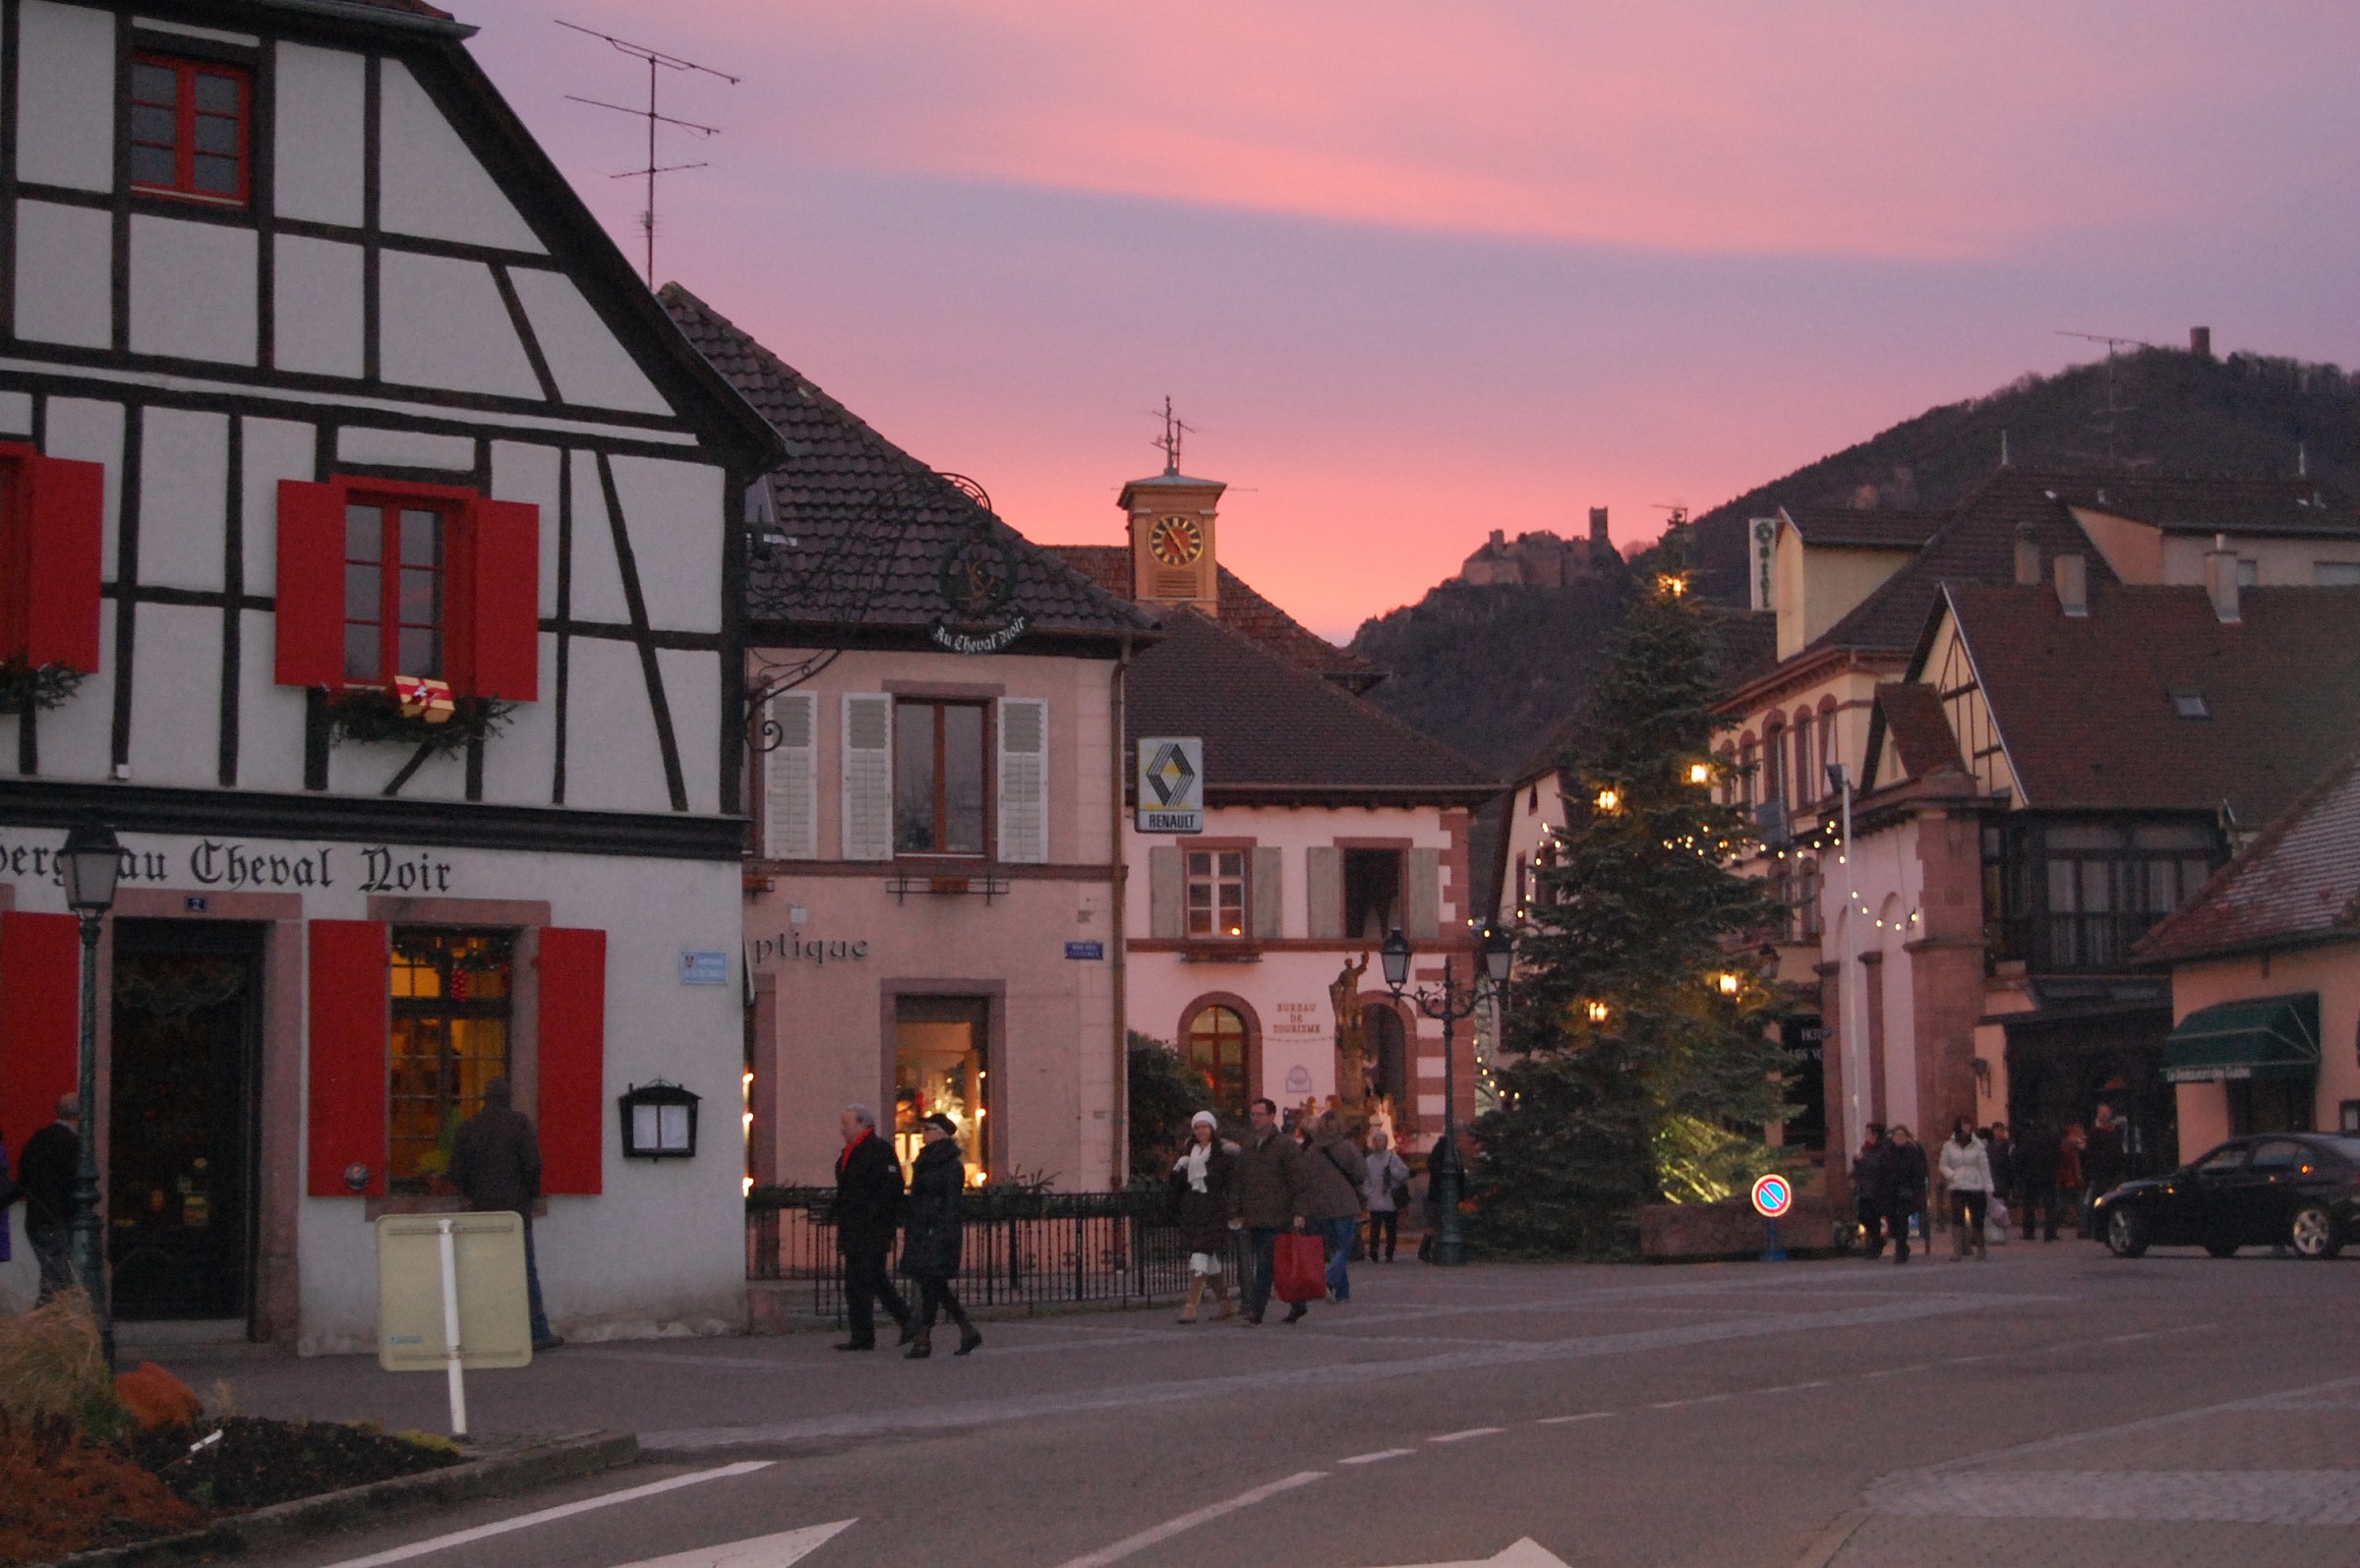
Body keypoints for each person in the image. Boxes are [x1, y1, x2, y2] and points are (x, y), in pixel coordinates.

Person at [447, 1077, 562, 1352]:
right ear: (508, 1099)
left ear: (485, 1099)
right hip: (516, 1210)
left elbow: (455, 1172)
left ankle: (488, 1332)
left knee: (484, 1273)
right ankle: (536, 1332)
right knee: (525, 1272)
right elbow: (533, 1165)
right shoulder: (519, 1124)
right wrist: (531, 1195)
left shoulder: (469, 1128)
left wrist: (471, 1193)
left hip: (482, 1211)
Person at [832, 1105, 913, 1351]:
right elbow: (847, 1190)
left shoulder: (879, 1151)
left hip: (872, 1229)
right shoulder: (850, 1152)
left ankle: (907, 1320)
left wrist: (877, 1218)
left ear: (862, 1124)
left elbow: (890, 1190)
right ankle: (862, 1335)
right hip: (854, 1227)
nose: (842, 1129)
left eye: (846, 1124)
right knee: (856, 1282)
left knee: (873, 1277)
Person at [900, 1114, 980, 1359]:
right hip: (922, 1229)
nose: (923, 1133)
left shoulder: (950, 1165)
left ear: (941, 1133)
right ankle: (965, 1330)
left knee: (932, 1284)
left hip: (938, 1232)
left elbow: (952, 1204)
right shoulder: (925, 1160)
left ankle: (925, 1339)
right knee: (933, 1285)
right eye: (923, 1129)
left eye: (928, 1129)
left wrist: (942, 1230)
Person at [1230, 1097, 1308, 1325]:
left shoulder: (1285, 1146)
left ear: (1271, 1116)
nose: (1255, 1119)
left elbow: (1299, 1181)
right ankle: (1298, 1303)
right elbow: (1239, 1180)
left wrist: (1299, 1211)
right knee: (1277, 1265)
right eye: (1252, 1114)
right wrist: (1236, 1210)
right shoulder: (1248, 1146)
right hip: (1254, 1215)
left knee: (1264, 1265)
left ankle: (1255, 1312)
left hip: (1278, 1216)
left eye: (1259, 1114)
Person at [1170, 1111, 1238, 1323]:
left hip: (1214, 1210)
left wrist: (1234, 1212)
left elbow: (1228, 1183)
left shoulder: (1221, 1155)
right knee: (1210, 1260)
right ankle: (1226, 1304)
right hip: (1193, 1212)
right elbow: (1178, 1188)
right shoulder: (1188, 1156)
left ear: (1212, 1129)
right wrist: (1178, 1170)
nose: (1201, 1131)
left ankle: (1190, 1307)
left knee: (1199, 1255)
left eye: (1205, 1126)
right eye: (1197, 1127)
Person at [19, 1095, 80, 1303]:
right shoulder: (71, 1143)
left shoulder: (39, 1138)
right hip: (56, 1219)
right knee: (57, 1282)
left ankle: (48, 1318)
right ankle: (45, 1319)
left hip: (36, 1217)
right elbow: (71, 1182)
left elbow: (23, 1179)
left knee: (54, 1279)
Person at [1300, 1112, 1365, 1304]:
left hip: (1321, 1205)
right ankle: (1329, 1280)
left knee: (1334, 1248)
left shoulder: (1312, 1151)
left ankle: (1342, 1293)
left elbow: (1304, 1177)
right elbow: (1361, 1173)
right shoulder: (1347, 1148)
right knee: (1344, 1248)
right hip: (1343, 1204)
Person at [1938, 1118, 1993, 1261]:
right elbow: (1943, 1164)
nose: (1967, 1127)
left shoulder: (1977, 1145)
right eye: (1964, 1125)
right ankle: (1958, 1250)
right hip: (1957, 1186)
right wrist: (1951, 1175)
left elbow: (1984, 1166)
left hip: (1976, 1186)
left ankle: (1981, 1248)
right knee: (1957, 1218)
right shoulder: (1949, 1146)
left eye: (1969, 1124)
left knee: (1977, 1218)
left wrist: (1988, 1185)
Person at [1359, 1129, 1411, 1264]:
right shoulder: (1369, 1160)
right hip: (1375, 1198)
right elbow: (1365, 1179)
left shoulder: (1393, 1158)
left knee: (1390, 1227)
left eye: (1381, 1140)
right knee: (1375, 1227)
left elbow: (1404, 1174)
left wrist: (1393, 1172)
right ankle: (1374, 1251)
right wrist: (1368, 1193)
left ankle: (1389, 1252)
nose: (1378, 1143)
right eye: (1376, 1140)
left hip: (1390, 1197)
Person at [1883, 1126, 1928, 1264]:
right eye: (1897, 1135)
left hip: (1907, 1191)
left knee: (1902, 1220)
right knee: (1892, 1221)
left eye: (1902, 1135)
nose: (1899, 1137)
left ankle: (1900, 1251)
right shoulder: (1888, 1152)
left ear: (1906, 1137)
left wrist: (1916, 1189)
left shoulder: (1912, 1152)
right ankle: (1903, 1247)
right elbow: (1883, 1171)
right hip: (1891, 1192)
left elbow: (1919, 1172)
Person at [2015, 1120, 2062, 1243]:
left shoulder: (2028, 1137)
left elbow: (2022, 1156)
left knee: (2029, 1205)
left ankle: (2029, 1232)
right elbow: (2057, 1156)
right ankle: (2050, 1232)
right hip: (2048, 1175)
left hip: (2031, 1176)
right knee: (2050, 1205)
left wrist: (2022, 1173)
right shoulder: (2052, 1138)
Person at [2082, 1106, 2126, 1234]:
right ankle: (2089, 1227)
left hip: (2114, 1170)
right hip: (2100, 1172)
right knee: (2095, 1198)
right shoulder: (2095, 1132)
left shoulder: (2115, 1130)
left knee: (2112, 1197)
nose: (2105, 1115)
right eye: (2103, 1113)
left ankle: (2103, 1225)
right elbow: (2090, 1150)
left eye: (2107, 1113)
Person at [1853, 1125, 1890, 1258]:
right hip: (1865, 1189)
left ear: (1875, 1135)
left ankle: (1875, 1246)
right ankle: (1877, 1241)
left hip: (1877, 1190)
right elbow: (1860, 1169)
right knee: (1863, 1216)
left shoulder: (1883, 1150)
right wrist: (1857, 1161)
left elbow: (1879, 1167)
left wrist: (1863, 1160)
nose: (1866, 1135)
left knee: (1875, 1218)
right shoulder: (1865, 1148)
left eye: (1868, 1132)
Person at [1981, 1123, 2016, 1239]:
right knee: (1993, 1208)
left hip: (2004, 1181)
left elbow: (2011, 1165)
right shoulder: (1988, 1147)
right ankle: (1995, 1233)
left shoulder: (2008, 1146)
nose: (1999, 1133)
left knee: (2003, 1208)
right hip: (1992, 1181)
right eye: (1996, 1131)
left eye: (2001, 1130)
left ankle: (2001, 1232)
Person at [2057, 1124, 2087, 1238]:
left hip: (2074, 1180)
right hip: (2068, 1181)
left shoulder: (2073, 1148)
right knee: (2065, 1205)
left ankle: (2083, 1229)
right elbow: (2066, 1166)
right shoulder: (2067, 1147)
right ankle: (2053, 1225)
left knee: (2080, 1205)